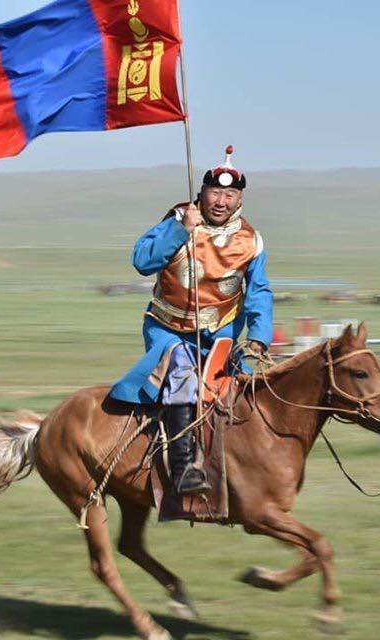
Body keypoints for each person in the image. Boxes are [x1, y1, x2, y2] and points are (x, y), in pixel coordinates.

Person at [110, 146, 274, 495]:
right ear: (202, 192)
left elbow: (259, 291)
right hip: (169, 330)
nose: (221, 201)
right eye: (215, 192)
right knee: (182, 373)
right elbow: (142, 261)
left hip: (222, 334)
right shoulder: (176, 221)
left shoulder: (252, 241)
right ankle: (183, 469)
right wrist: (181, 230)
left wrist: (259, 334)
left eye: (230, 194)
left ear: (239, 198)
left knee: (245, 391)